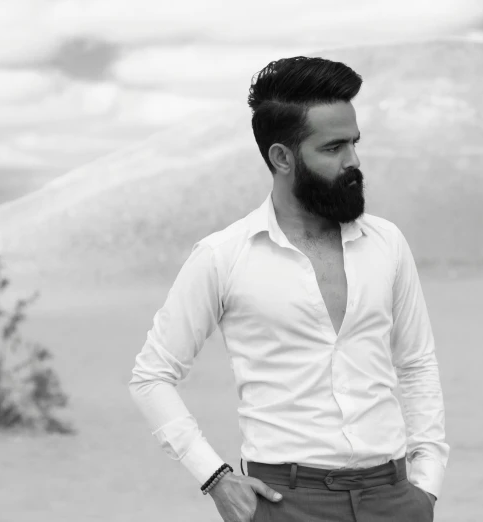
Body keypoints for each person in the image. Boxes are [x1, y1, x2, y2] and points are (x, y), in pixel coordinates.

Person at [128, 56, 449, 522]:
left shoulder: (387, 243)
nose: (353, 161)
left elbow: (416, 364)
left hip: (393, 499)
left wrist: (426, 485)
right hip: (286, 504)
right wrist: (215, 478)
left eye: (355, 143)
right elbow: (151, 376)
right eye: (334, 148)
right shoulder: (224, 255)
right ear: (282, 157)